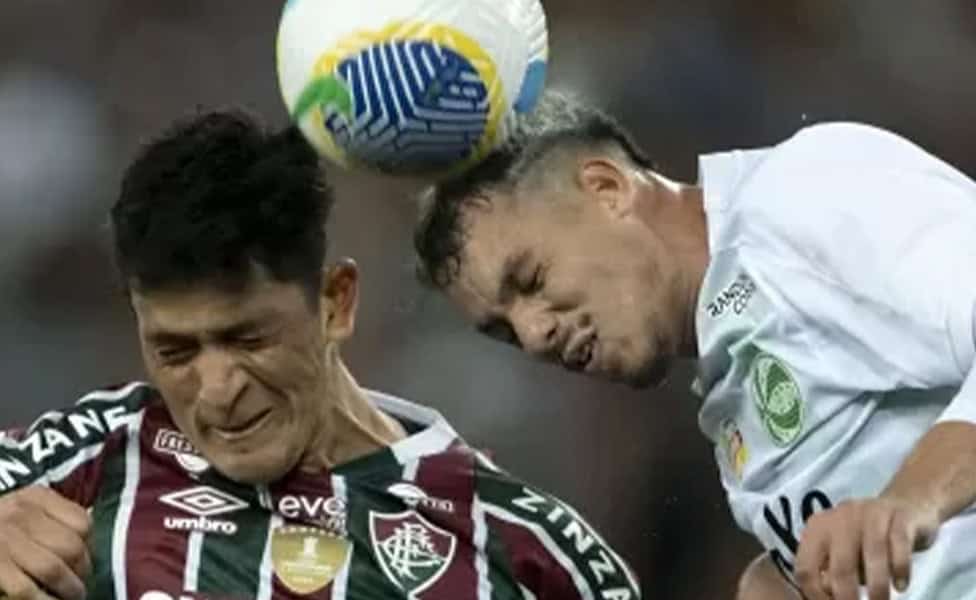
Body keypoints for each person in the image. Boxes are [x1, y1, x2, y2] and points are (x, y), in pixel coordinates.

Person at [0, 109, 641, 600]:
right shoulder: (95, 453)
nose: (218, 389)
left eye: (248, 339)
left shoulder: (526, 551)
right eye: (175, 350)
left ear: (336, 302)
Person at [413, 91, 976, 600]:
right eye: (505, 331)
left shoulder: (801, 192)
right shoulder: (731, 348)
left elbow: (898, 510)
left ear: (607, 189)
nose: (535, 335)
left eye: (532, 278)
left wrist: (911, 502)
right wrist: (781, 580)